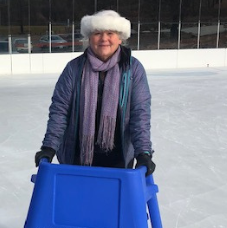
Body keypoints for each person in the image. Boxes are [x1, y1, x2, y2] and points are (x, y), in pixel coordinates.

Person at [35, 10, 155, 176]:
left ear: (120, 38)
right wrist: (49, 147)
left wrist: (143, 153)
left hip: (118, 159)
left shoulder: (132, 69)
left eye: (110, 33)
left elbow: (139, 114)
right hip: (78, 157)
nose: (104, 39)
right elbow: (60, 111)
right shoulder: (74, 69)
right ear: (90, 38)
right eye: (97, 33)